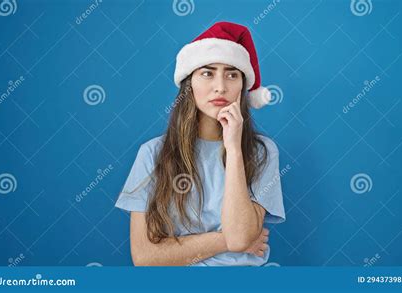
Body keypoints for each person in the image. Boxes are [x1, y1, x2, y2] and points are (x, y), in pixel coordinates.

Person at [115, 21, 285, 266]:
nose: (220, 87)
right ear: (189, 83)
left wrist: (235, 148)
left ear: (242, 87)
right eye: (207, 73)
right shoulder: (152, 153)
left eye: (232, 74)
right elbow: (145, 257)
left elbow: (240, 238)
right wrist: (224, 239)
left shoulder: (261, 152)